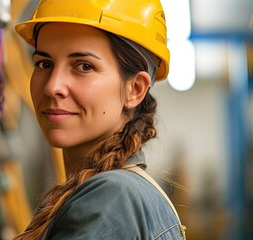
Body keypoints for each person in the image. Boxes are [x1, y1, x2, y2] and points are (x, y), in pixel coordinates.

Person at [14, 0, 186, 239]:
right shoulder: (120, 194)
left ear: (135, 89)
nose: (53, 86)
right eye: (44, 63)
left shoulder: (111, 199)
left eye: (84, 66)